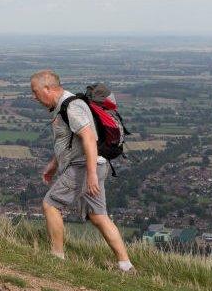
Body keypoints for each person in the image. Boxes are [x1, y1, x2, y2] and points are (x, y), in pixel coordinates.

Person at [30, 69, 134, 273]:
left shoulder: (72, 107)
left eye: (35, 92)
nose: (34, 97)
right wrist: (54, 164)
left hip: (85, 168)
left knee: (51, 204)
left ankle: (56, 258)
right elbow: (70, 142)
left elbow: (88, 137)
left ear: (48, 88)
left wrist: (92, 174)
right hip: (94, 165)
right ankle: (126, 266)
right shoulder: (64, 105)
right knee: (98, 216)